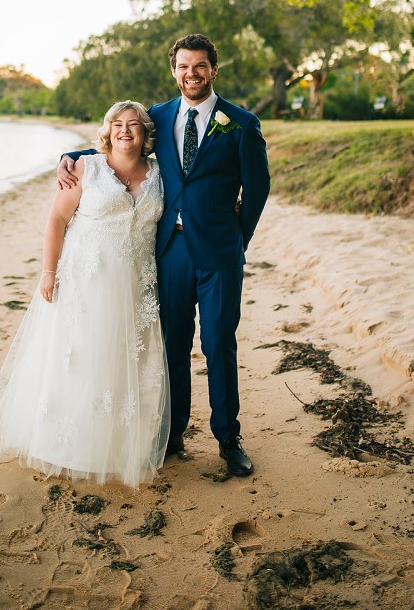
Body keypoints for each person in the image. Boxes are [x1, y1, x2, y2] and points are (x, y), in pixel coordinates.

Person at [59, 34, 270, 476]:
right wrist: (72, 155)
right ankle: (173, 433)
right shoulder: (157, 115)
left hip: (219, 254)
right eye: (183, 66)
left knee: (218, 343)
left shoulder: (241, 123)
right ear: (174, 71)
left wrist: (238, 239)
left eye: (200, 66)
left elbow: (258, 188)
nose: (192, 74)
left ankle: (227, 437)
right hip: (169, 250)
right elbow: (120, 144)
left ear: (214, 69)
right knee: (172, 343)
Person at [0, 101, 169, 490]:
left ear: (146, 133)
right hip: (86, 281)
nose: (125, 131)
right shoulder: (84, 168)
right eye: (117, 124)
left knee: (120, 361)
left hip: (135, 285)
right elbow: (58, 220)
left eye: (133, 125)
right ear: (107, 131)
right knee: (79, 357)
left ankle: (110, 447)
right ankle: (65, 448)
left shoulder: (160, 174)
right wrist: (49, 272)